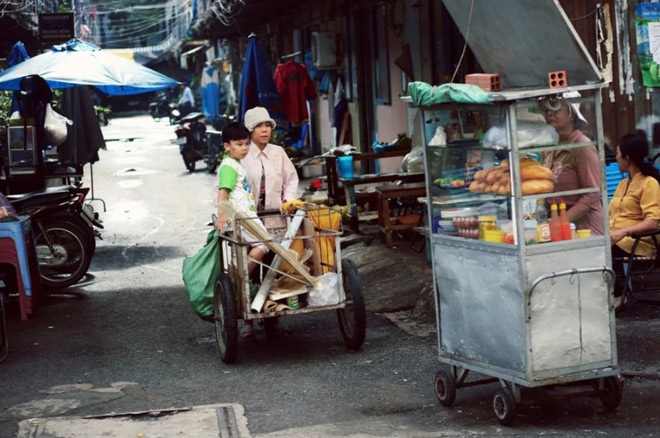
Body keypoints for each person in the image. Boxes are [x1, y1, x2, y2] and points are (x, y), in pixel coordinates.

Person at [215, 122, 269, 338]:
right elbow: (223, 192)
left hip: (246, 214)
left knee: (259, 245)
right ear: (227, 146)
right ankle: (241, 274)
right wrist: (221, 215)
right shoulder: (229, 165)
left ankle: (242, 272)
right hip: (241, 217)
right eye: (239, 144)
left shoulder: (236, 164)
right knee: (264, 244)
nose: (245, 148)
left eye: (247, 144)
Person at [608, 131, 660, 308]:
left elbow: (652, 222)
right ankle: (614, 292)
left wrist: (623, 232)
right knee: (589, 245)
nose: (615, 157)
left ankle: (616, 293)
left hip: (638, 241)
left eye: (617, 153)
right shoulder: (623, 184)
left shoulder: (649, 183)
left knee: (600, 251)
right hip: (615, 239)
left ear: (627, 158)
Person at [541, 93, 604, 235]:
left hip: (584, 229)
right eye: (547, 110)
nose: (550, 114)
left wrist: (562, 220)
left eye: (556, 110)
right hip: (559, 224)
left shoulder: (582, 145)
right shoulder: (551, 146)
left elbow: (592, 193)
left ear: (571, 114)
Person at [241, 106, 299, 230]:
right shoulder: (242, 156)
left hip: (278, 220)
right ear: (250, 129)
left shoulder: (278, 152)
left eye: (267, 125)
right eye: (259, 126)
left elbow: (292, 179)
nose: (264, 130)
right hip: (249, 222)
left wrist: (287, 200)